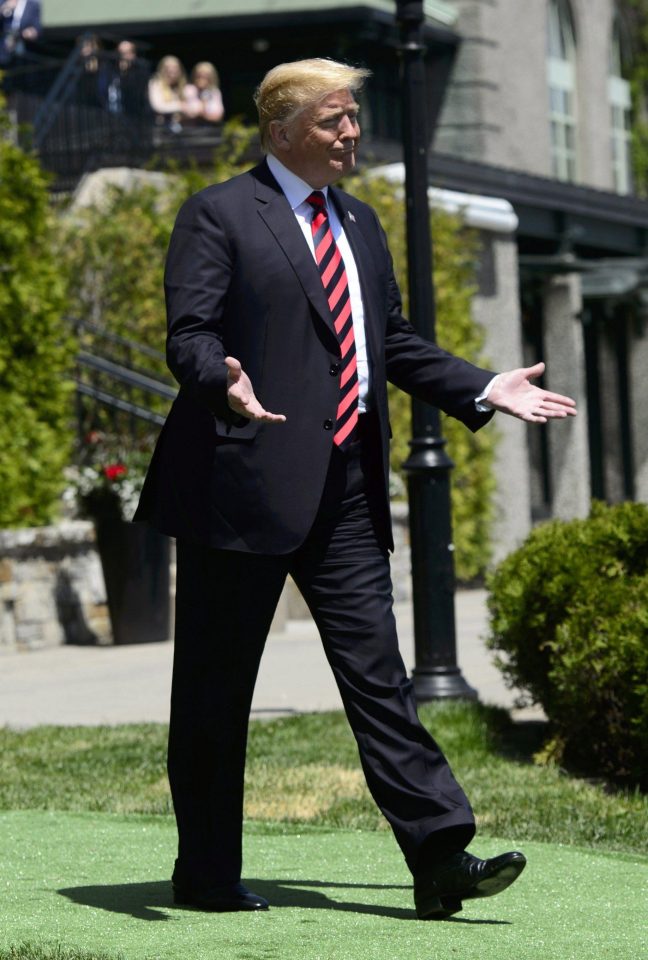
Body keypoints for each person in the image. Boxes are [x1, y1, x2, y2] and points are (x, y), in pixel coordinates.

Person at [134, 57, 577, 920]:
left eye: (353, 118)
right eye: (334, 120)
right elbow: (188, 330)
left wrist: (485, 386)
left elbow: (393, 343)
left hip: (345, 489)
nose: (351, 133)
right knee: (216, 695)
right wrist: (218, 376)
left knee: (381, 678)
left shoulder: (361, 224)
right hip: (240, 487)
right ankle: (207, 874)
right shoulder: (220, 213)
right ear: (281, 131)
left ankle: (441, 856)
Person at [148, 55, 191, 132]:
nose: (171, 70)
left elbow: (191, 106)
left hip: (182, 129)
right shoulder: (155, 84)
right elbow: (158, 106)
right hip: (160, 129)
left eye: (175, 67)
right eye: (167, 67)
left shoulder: (183, 86)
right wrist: (180, 106)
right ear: (162, 69)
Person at [0, 0, 40, 66]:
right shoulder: (3, 2)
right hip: (3, 48)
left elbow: (37, 27)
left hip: (23, 46)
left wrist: (32, 32)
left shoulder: (33, 5)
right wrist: (3, 9)